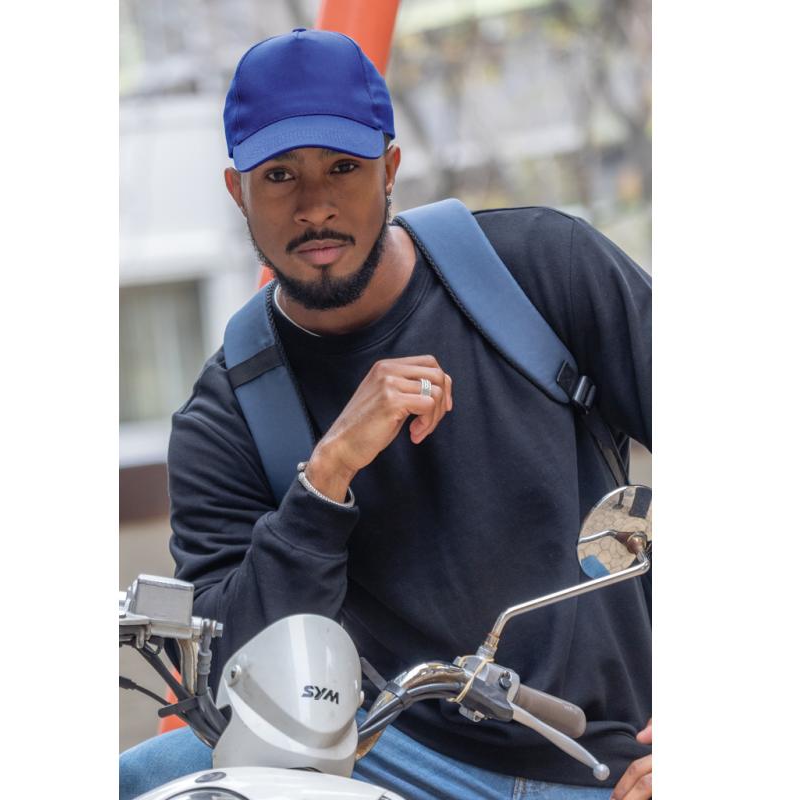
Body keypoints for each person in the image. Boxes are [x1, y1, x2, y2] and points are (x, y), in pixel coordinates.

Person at [120, 28, 652, 800]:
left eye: (343, 167)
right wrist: (326, 473)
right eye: (280, 176)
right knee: (141, 779)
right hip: (386, 756)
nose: (315, 206)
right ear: (237, 191)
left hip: (608, 761)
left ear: (390, 169)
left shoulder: (542, 269)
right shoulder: (227, 413)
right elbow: (226, 674)